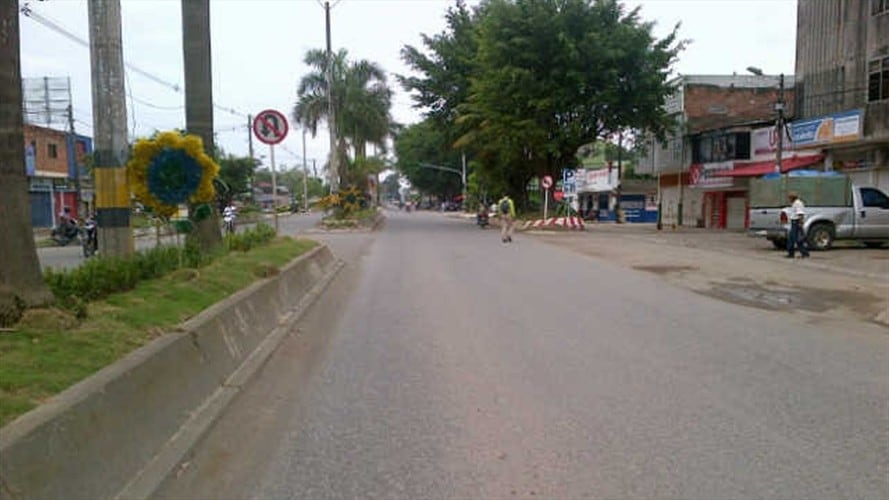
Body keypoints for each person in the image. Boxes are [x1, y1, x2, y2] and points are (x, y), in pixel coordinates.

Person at [786, 192, 810, 258]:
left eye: (789, 198)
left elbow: (800, 214)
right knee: (791, 239)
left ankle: (804, 253)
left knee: (798, 239)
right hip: (794, 222)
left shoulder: (798, 203)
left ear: (792, 197)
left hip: (796, 222)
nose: (789, 199)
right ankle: (791, 253)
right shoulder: (794, 203)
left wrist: (800, 223)